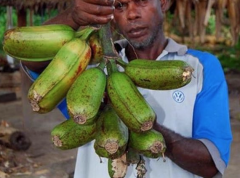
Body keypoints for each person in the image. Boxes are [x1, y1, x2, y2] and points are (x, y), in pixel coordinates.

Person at [21, 0, 232, 177]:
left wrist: (138, 119)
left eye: (141, 0)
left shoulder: (198, 67)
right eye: (120, 5)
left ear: (164, 2)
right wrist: (73, 17)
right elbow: (32, 59)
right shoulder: (87, 66)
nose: (131, 14)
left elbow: (211, 163)